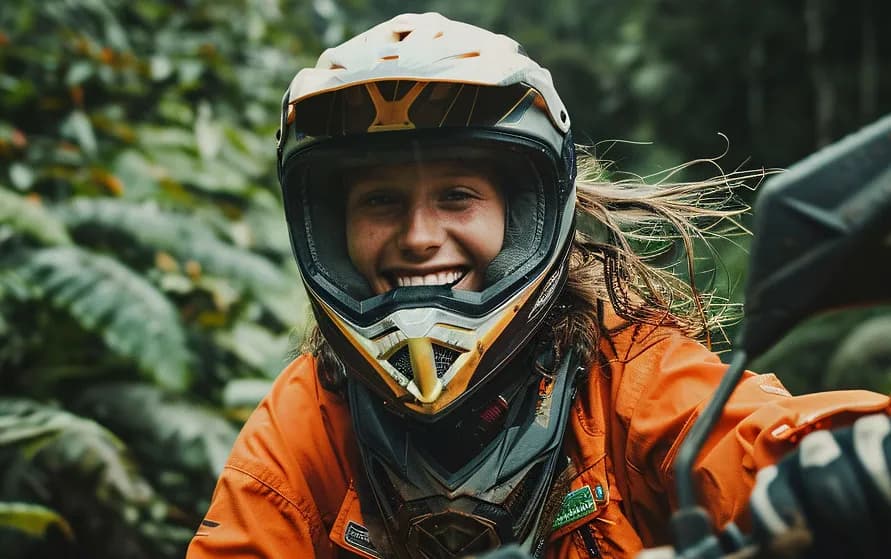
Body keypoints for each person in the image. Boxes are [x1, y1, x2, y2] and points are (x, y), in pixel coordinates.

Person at [185, 12, 891, 559]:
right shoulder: (310, 417)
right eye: (379, 201)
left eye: (457, 196)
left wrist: (844, 469)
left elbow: (747, 437)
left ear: (526, 213)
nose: (419, 234)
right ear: (331, 229)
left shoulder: (627, 371)